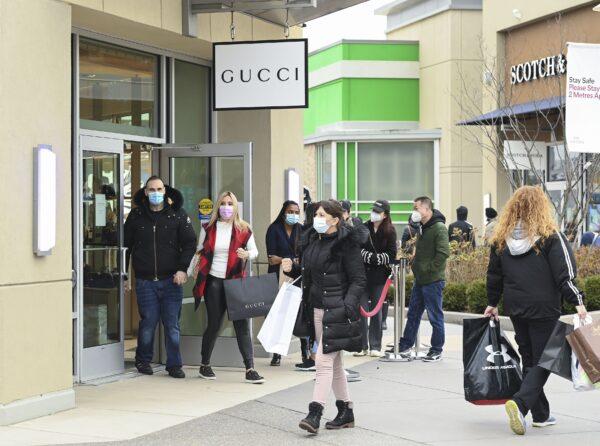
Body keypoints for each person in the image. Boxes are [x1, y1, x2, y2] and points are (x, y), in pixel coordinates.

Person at [484, 186, 587, 436]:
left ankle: (541, 414)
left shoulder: (502, 239)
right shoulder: (551, 237)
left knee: (530, 359)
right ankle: (519, 404)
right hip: (544, 307)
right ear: (541, 207)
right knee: (545, 361)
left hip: (516, 308)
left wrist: (492, 302)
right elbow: (565, 274)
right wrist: (578, 301)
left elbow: (494, 275)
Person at [282, 200, 366, 434]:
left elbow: (358, 280)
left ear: (335, 220)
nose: (316, 218)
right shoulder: (314, 242)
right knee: (334, 363)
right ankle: (346, 411)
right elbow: (308, 272)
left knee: (323, 361)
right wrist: (292, 268)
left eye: (321, 214)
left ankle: (315, 412)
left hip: (336, 311)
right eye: (316, 214)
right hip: (317, 310)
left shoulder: (345, 245)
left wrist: (347, 306)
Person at [124, 176, 197, 378]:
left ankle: (174, 365)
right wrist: (123, 275)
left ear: (165, 191)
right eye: (151, 189)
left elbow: (190, 243)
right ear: (146, 192)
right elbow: (125, 247)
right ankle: (143, 361)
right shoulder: (136, 216)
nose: (155, 193)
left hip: (171, 280)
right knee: (148, 323)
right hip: (145, 281)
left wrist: (183, 269)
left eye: (159, 189)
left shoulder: (177, 215)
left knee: (172, 324)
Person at [188, 191, 264, 384]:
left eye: (230, 203)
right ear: (217, 206)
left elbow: (255, 251)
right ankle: (205, 364)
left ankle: (250, 368)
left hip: (236, 281)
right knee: (214, 324)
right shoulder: (208, 227)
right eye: (223, 203)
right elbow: (199, 252)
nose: (226, 207)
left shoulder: (244, 229)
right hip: (214, 281)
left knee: (242, 326)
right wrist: (187, 273)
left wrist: (246, 254)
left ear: (235, 207)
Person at [394, 196, 449, 362]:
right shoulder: (422, 227)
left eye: (416, 208)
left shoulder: (439, 228)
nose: (414, 212)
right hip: (421, 278)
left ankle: (436, 349)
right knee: (413, 314)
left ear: (426, 209)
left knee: (435, 316)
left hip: (432, 280)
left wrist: (429, 269)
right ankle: (405, 345)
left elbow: (443, 253)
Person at [355, 200, 397, 357]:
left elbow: (391, 255)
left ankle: (375, 346)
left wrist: (373, 258)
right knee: (361, 310)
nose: (373, 214)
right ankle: (361, 346)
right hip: (362, 275)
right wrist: (373, 257)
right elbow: (358, 250)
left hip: (380, 278)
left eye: (377, 211)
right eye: (373, 210)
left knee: (376, 312)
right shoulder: (364, 227)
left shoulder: (390, 231)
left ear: (385, 214)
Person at [265, 200, 303, 367]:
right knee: (278, 315)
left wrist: (286, 260)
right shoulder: (274, 229)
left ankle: (305, 353)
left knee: (299, 313)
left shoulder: (301, 230)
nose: (293, 215)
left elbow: (303, 256)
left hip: (296, 276)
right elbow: (271, 258)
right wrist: (289, 259)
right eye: (290, 211)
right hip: (277, 277)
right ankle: (276, 354)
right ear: (284, 212)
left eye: (296, 212)